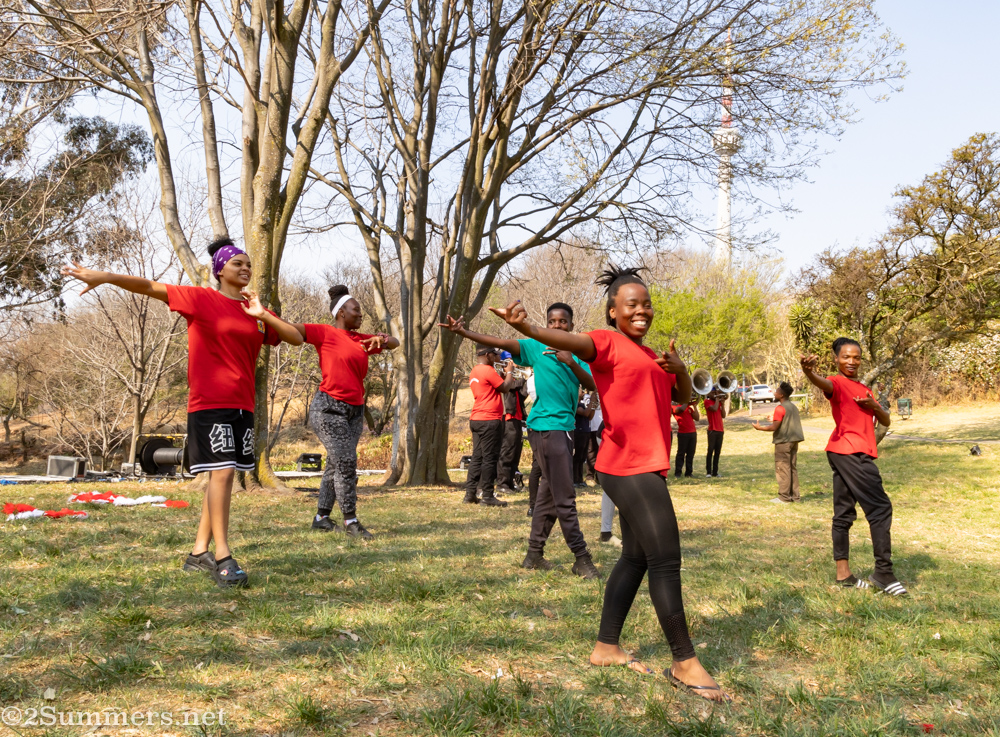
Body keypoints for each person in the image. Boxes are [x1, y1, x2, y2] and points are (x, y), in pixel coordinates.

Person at [487, 265, 729, 702]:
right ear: (613, 311)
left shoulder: (652, 353)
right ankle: (684, 661)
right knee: (666, 558)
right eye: (631, 305)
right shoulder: (606, 341)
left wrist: (680, 368)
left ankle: (606, 646)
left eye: (647, 304)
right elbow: (565, 340)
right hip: (626, 464)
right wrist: (526, 327)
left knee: (635, 559)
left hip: (649, 464)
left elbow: (683, 399)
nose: (642, 311)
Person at [61, 239, 304, 587]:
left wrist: (262, 313)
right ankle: (223, 557)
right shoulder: (201, 299)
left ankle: (197, 553)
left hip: (243, 406)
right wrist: (106, 277)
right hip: (210, 402)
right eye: (237, 263)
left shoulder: (254, 312)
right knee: (221, 475)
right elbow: (148, 286)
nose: (245, 268)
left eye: (248, 264)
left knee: (225, 475)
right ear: (220, 270)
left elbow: (294, 338)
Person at [440, 303, 600, 579]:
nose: (557, 326)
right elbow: (500, 342)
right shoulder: (536, 346)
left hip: (565, 428)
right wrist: (464, 332)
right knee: (565, 498)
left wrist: (571, 361)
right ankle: (581, 558)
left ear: (571, 327)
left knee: (549, 495)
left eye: (563, 322)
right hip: (545, 429)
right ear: (546, 324)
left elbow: (592, 384)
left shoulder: (578, 354)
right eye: (552, 321)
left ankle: (534, 555)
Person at [291, 285, 399, 539]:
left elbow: (395, 343)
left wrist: (382, 339)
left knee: (337, 462)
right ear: (341, 312)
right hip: (328, 408)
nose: (360, 315)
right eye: (356, 310)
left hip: (354, 411)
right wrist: (264, 315)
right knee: (346, 461)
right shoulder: (325, 333)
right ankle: (351, 520)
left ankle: (321, 518)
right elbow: (294, 329)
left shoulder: (362, 340)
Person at [801, 338, 907, 596]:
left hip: (842, 451)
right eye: (846, 357)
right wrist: (808, 371)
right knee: (880, 508)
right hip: (850, 451)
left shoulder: (864, 389)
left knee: (844, 513)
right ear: (836, 359)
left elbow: (886, 419)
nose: (851, 361)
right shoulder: (836, 382)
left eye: (856, 357)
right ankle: (883, 573)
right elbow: (822, 383)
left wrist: (874, 406)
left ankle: (843, 574)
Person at [752, 382, 805, 503]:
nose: (774, 393)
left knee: (782, 468)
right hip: (793, 441)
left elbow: (774, 427)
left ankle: (784, 497)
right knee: (792, 468)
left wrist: (760, 428)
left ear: (781, 395)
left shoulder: (780, 408)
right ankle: (795, 497)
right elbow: (786, 420)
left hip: (783, 442)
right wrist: (774, 419)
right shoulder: (792, 406)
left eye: (776, 392)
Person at [496, 356, 528, 495]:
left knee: (515, 452)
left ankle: (510, 481)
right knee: (507, 452)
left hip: (517, 418)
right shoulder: (501, 377)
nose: (515, 364)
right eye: (512, 361)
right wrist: (522, 378)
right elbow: (510, 388)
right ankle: (502, 483)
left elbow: (522, 394)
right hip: (507, 418)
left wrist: (528, 380)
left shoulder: (514, 380)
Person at [573, 390, 597, 487]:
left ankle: (579, 479)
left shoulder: (582, 404)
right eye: (581, 391)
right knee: (577, 457)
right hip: (578, 432)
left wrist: (594, 405)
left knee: (583, 457)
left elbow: (589, 417)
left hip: (586, 431)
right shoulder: (574, 404)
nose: (583, 392)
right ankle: (574, 479)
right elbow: (585, 413)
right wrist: (592, 400)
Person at [672, 400, 699, 478]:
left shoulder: (688, 407)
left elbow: (697, 418)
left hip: (693, 433)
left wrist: (694, 406)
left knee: (691, 454)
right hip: (683, 433)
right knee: (681, 453)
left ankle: (689, 473)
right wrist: (687, 400)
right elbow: (681, 410)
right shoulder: (674, 407)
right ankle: (678, 473)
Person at [703, 391, 726, 477]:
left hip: (720, 430)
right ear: (708, 394)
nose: (715, 394)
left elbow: (723, 415)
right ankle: (708, 472)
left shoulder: (718, 403)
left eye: (715, 393)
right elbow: (714, 409)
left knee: (717, 452)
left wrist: (722, 404)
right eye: (713, 393)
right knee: (710, 451)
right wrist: (717, 399)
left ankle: (715, 472)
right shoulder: (707, 401)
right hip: (712, 430)